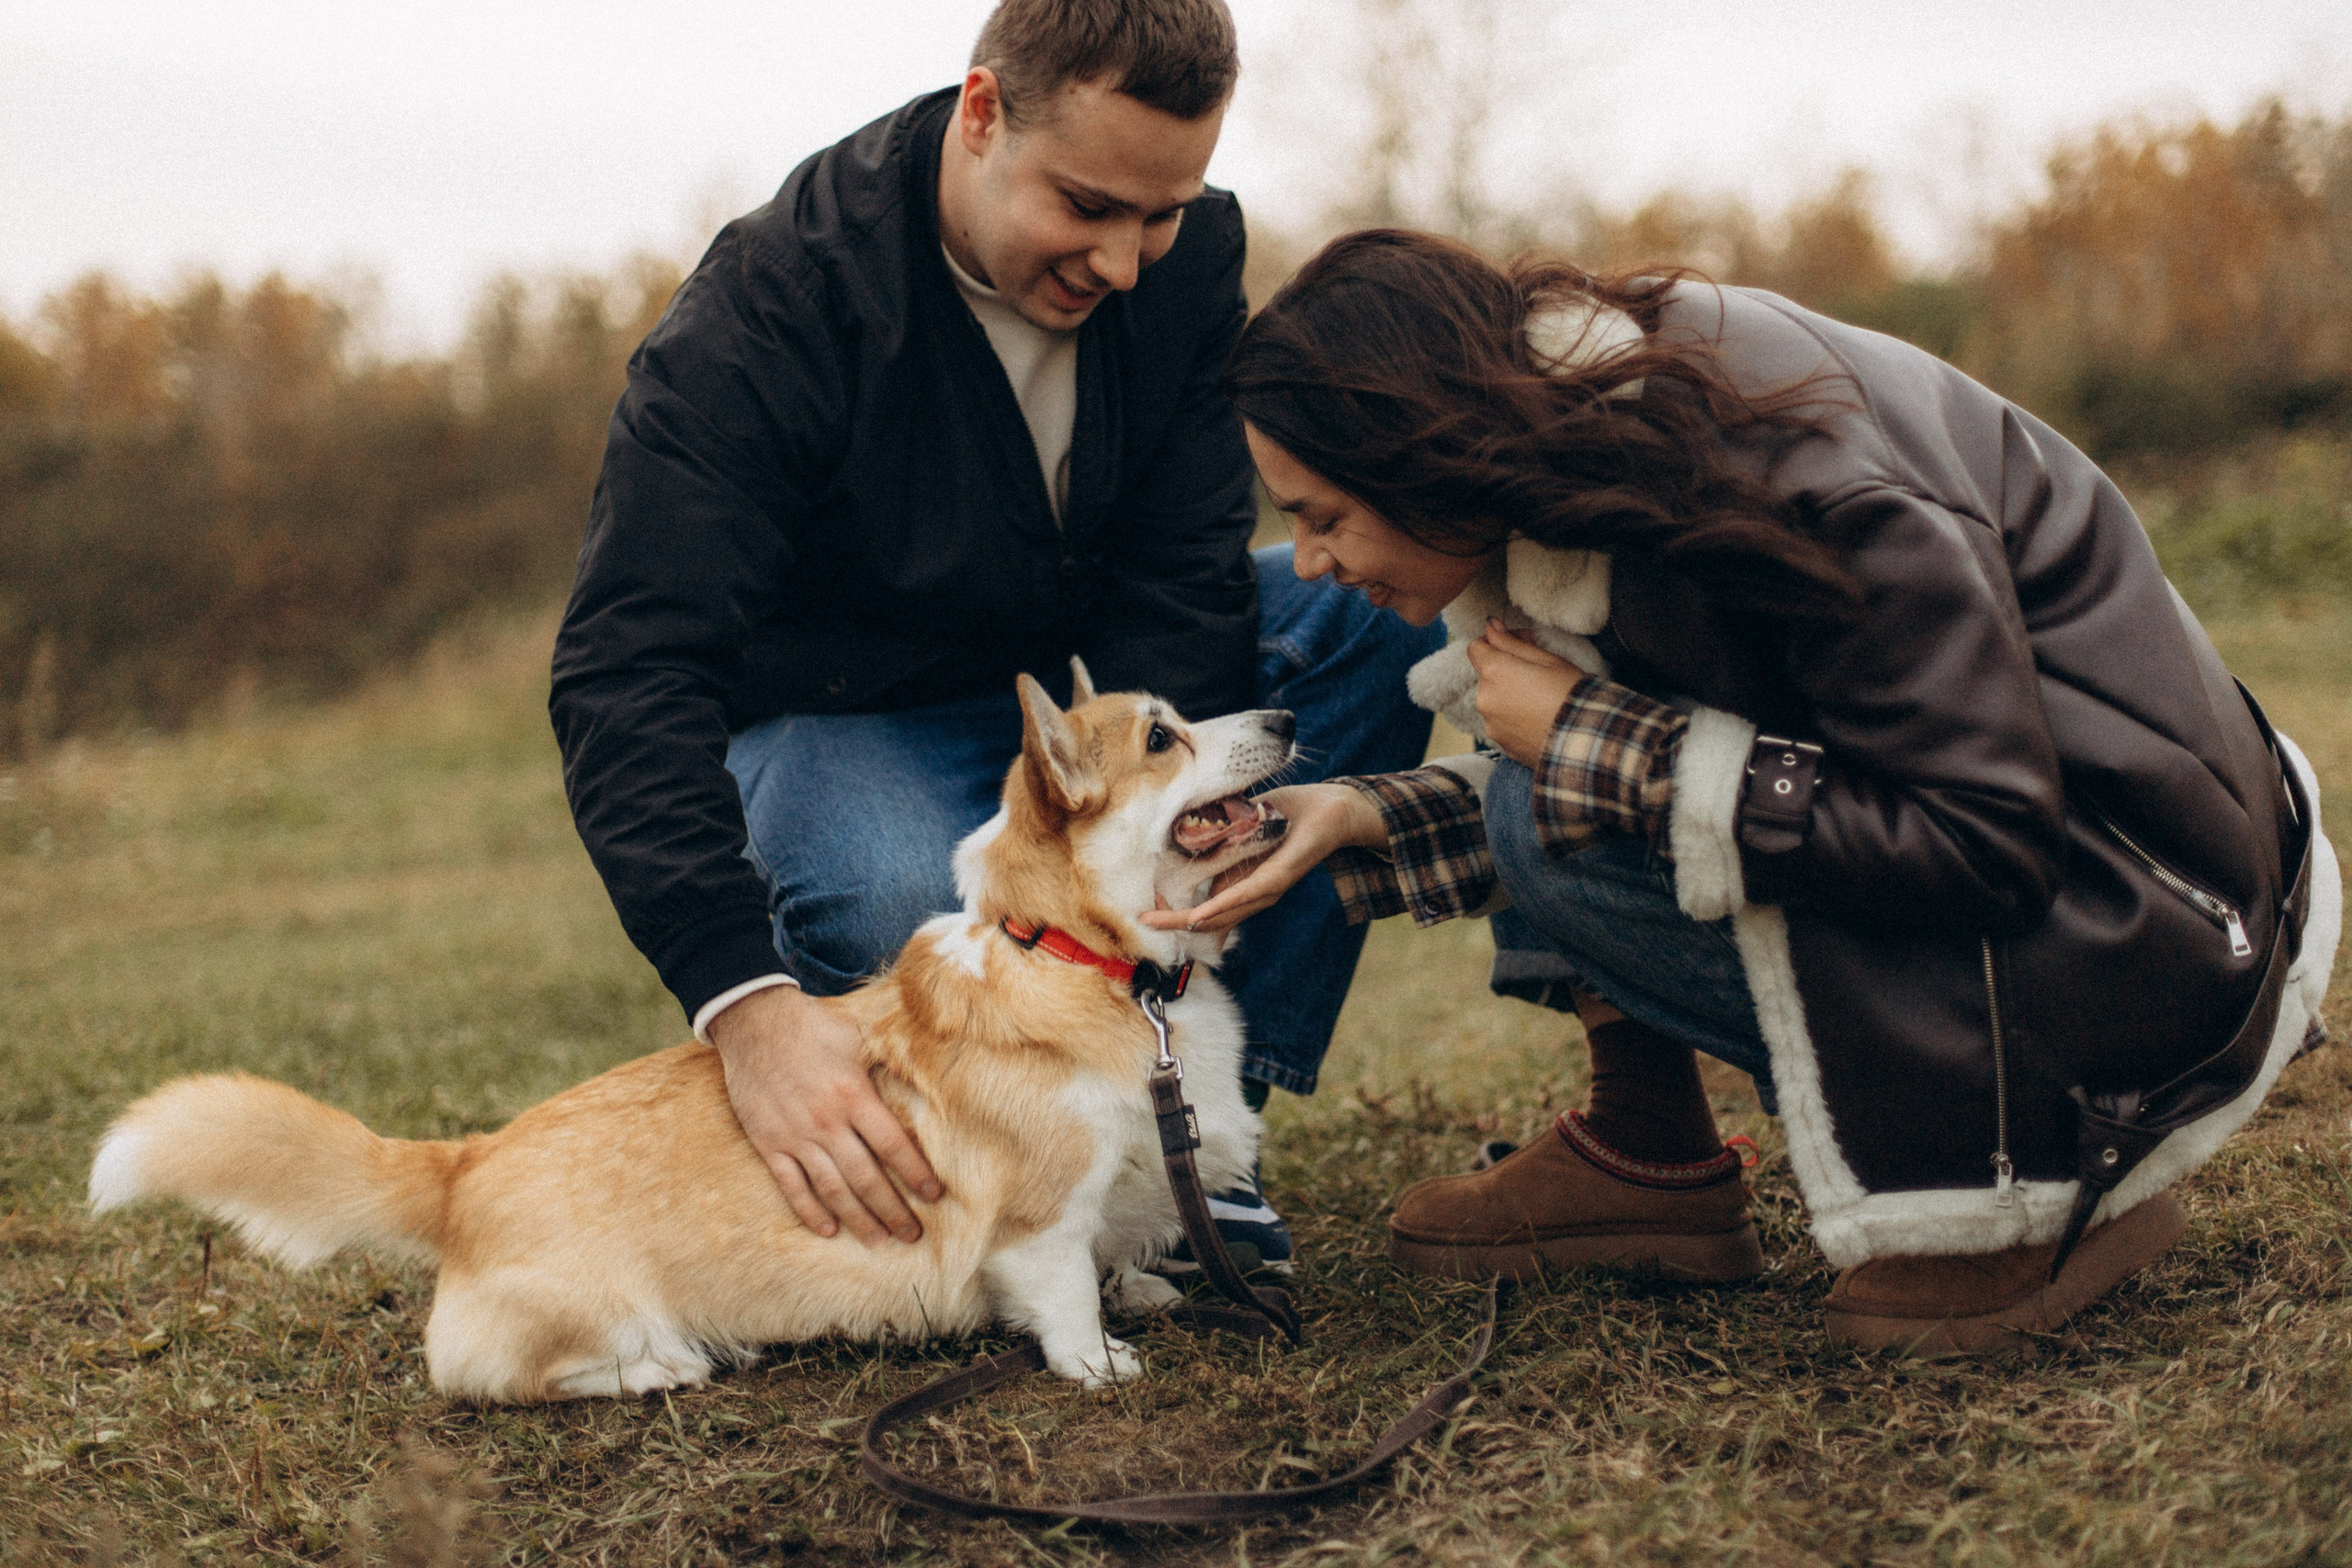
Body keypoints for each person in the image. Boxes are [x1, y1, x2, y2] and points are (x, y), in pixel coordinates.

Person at [1148, 229, 2340, 1350]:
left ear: (1419, 455)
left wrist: (1589, 736)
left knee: (1551, 772)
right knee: (1549, 760)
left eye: (1322, 517)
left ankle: (2049, 1174)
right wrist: (1365, 812)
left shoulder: (1788, 481)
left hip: (2142, 931)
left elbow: (1990, 837)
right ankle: (1646, 1145)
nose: (1309, 563)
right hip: (2095, 879)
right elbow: (1710, 749)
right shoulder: (1587, 444)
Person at [549, 4, 1441, 1269]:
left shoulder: (1191, 263)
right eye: (1086, 206)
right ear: (981, 113)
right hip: (839, 724)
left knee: (1374, 602)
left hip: (1091, 722)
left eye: (1162, 213)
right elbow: (626, 668)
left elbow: (1187, 575)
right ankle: (1032, 1125)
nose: (1127, 261)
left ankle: (1196, 1138)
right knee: (904, 899)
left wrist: (1174, 826)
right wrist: (743, 1008)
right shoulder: (770, 312)